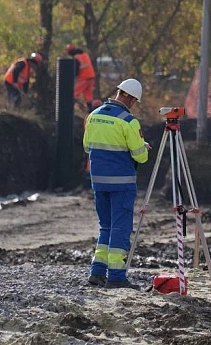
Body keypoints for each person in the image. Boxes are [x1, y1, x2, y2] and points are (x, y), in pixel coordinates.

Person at [83, 78, 149, 289]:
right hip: (122, 184)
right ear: (130, 99)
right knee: (120, 228)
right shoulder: (128, 121)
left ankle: (97, 272)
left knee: (106, 227)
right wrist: (143, 147)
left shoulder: (93, 116)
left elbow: (87, 147)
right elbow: (141, 157)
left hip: (98, 182)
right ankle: (117, 277)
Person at [65, 44, 96, 111]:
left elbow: (76, 69)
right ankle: (91, 110)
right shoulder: (85, 55)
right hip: (91, 77)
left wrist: (73, 77)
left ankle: (68, 109)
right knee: (88, 96)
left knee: (74, 93)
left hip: (84, 78)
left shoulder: (76, 57)